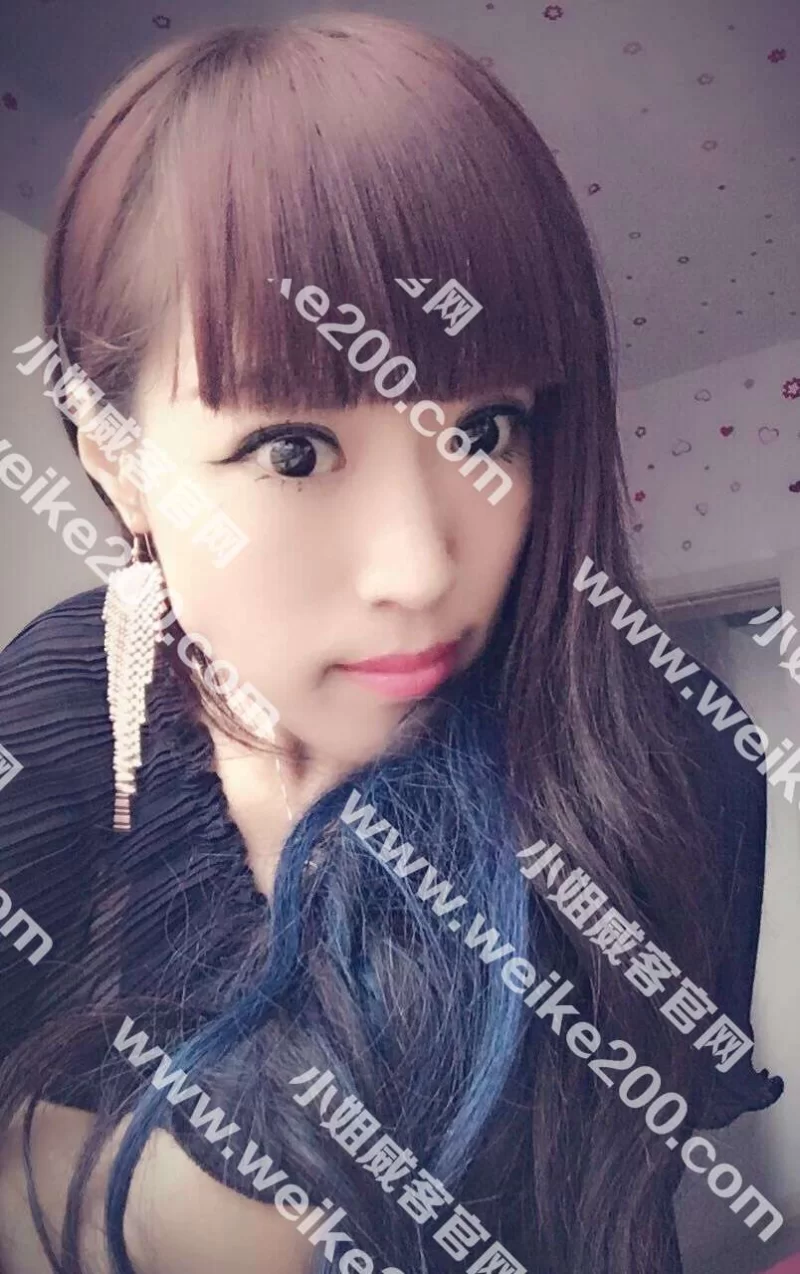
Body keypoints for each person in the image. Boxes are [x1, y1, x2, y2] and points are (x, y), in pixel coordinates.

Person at [0, 12, 783, 1274]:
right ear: (122, 466)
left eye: (483, 430)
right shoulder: (68, 693)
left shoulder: (661, 748)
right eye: (292, 449)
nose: (421, 569)